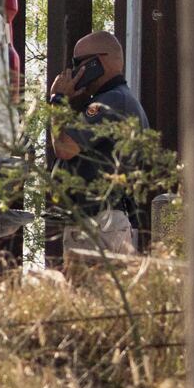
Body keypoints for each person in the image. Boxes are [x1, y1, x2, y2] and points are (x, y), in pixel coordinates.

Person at [50, 30, 149, 248]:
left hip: (98, 224)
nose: (74, 70)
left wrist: (58, 101)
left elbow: (64, 147)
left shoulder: (111, 100)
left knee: (88, 283)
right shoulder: (120, 99)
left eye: (78, 63)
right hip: (105, 222)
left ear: (98, 62)